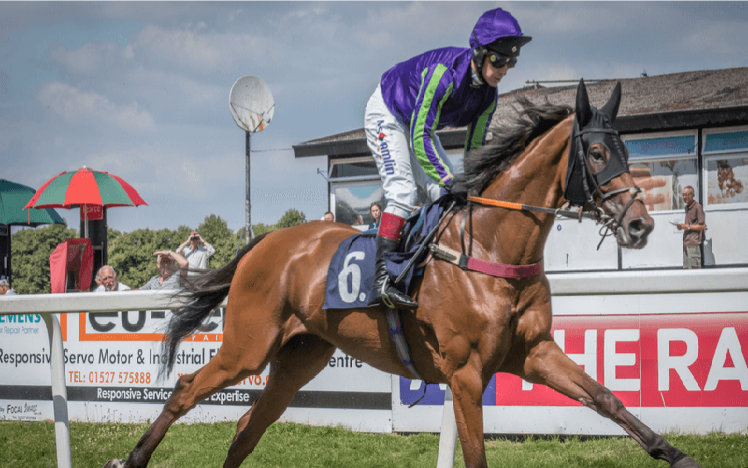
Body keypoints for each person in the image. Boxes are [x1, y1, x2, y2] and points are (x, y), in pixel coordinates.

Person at [364, 8, 530, 309]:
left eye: (511, 61)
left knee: (446, 195)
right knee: (403, 191)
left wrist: (475, 186)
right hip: (388, 113)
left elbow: (474, 149)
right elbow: (418, 136)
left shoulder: (489, 96)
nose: (505, 68)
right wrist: (451, 179)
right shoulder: (444, 75)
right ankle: (382, 280)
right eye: (498, 59)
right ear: (479, 53)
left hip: (417, 125)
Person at [677, 186, 706, 269]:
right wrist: (682, 227)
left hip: (693, 245)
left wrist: (688, 226)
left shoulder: (698, 207)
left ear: (692, 195)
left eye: (686, 195)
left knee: (694, 273)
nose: (684, 197)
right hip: (686, 244)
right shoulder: (687, 208)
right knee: (686, 274)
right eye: (683, 195)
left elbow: (702, 226)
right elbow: (689, 225)